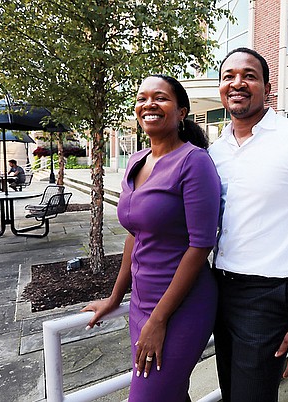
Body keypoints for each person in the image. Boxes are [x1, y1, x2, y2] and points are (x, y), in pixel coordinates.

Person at [208, 47, 288, 402]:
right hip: (221, 290)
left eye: (249, 75)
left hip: (269, 297)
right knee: (230, 391)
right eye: (228, 76)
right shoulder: (216, 150)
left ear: (267, 87)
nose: (238, 83)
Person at [82, 75, 221, 402]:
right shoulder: (136, 160)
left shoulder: (194, 162)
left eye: (160, 98)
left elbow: (201, 246)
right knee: (170, 395)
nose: (149, 104)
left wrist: (159, 320)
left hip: (182, 305)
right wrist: (116, 297)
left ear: (181, 111)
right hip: (142, 302)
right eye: (142, 97)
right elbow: (135, 235)